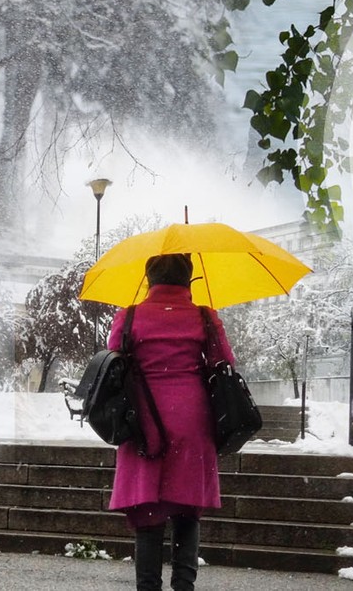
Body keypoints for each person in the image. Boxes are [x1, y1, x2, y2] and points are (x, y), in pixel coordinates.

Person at [106, 252, 236, 591]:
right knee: (186, 511)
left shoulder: (130, 316)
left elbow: (113, 358)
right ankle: (183, 586)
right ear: (188, 279)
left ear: (149, 279)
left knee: (148, 511)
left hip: (143, 422)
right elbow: (225, 361)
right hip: (193, 420)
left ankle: (148, 586)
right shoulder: (204, 317)